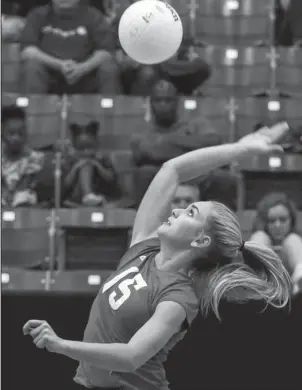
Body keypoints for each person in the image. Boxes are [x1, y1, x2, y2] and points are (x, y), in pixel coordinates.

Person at [24, 122, 291, 390]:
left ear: (201, 240)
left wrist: (61, 345)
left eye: (190, 213)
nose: (176, 210)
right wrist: (240, 149)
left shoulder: (178, 297)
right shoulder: (144, 246)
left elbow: (131, 357)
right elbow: (173, 170)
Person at [131, 79, 222, 206]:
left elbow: (214, 142)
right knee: (143, 174)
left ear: (177, 102)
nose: (163, 105)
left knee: (222, 177)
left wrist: (168, 141)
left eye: (168, 100)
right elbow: (147, 152)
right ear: (151, 103)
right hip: (161, 176)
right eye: (158, 100)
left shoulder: (194, 122)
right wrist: (188, 147)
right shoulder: (142, 129)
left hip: (193, 173)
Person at [20, 0, 121, 94]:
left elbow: (106, 51)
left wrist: (82, 68)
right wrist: (60, 65)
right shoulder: (37, 15)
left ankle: (109, 109)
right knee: (32, 66)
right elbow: (28, 51)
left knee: (108, 67)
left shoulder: (94, 16)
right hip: (49, 73)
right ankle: (34, 109)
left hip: (86, 74)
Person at [1, 104, 53, 208]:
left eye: (20, 133)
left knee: (22, 197)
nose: (16, 138)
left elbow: (24, 187)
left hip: (23, 206)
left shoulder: (36, 158)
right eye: (11, 133)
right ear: (2, 132)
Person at [251, 192, 302, 295]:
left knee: (293, 239)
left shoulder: (294, 240)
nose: (277, 225)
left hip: (293, 292)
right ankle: (257, 280)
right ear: (264, 222)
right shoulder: (260, 237)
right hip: (262, 290)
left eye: (283, 220)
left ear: (291, 220)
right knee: (259, 236)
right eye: (272, 220)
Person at [62, 119, 122, 207]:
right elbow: (65, 185)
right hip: (76, 199)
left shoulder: (103, 159)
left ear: (96, 145)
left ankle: (90, 197)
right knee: (85, 167)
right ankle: (87, 196)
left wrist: (96, 165)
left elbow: (111, 180)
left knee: (87, 166)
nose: (86, 152)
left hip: (102, 197)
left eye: (89, 148)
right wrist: (76, 168)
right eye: (81, 148)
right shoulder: (71, 162)